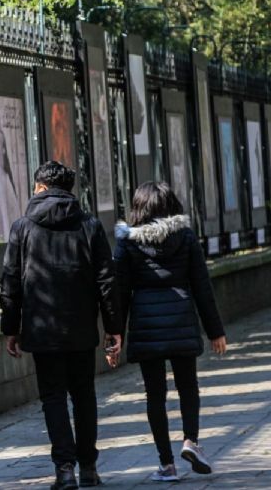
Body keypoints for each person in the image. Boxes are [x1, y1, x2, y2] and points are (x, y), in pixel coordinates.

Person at [0, 161, 122, 490]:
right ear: (70, 190)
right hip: (81, 330)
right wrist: (113, 327)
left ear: (39, 187)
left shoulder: (22, 228)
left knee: (53, 397)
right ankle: (89, 468)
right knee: (84, 396)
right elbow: (107, 281)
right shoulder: (90, 226)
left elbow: (10, 282)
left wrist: (11, 328)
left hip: (41, 331)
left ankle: (64, 469)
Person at [114, 181, 227, 482]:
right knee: (188, 386)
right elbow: (202, 287)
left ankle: (167, 464)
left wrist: (115, 334)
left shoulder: (127, 243)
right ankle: (191, 441)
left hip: (146, 324)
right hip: (180, 320)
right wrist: (215, 331)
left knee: (155, 395)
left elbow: (120, 292)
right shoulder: (186, 237)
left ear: (139, 208)